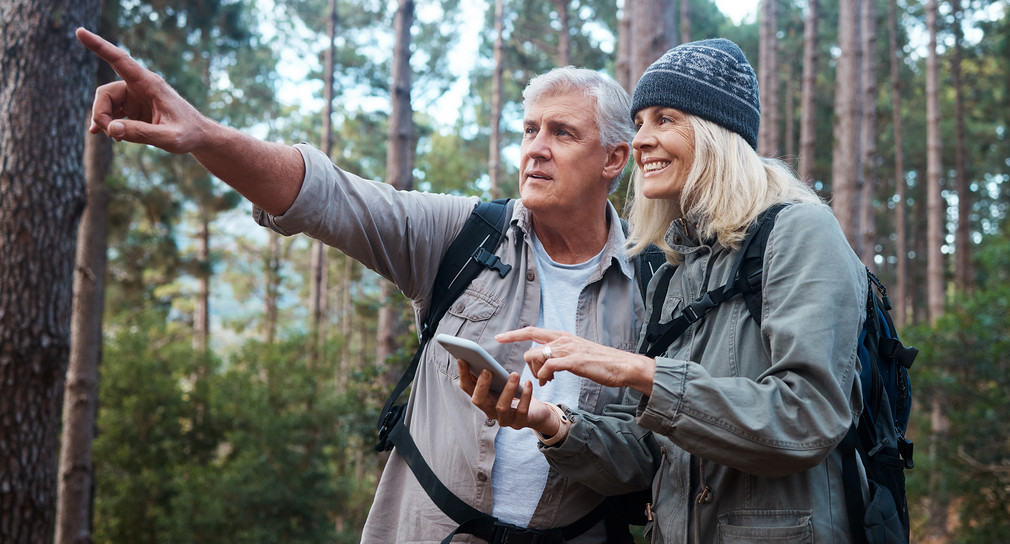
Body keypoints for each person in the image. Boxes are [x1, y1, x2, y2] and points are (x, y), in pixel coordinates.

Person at [76, 26, 646, 543]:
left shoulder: (652, 287)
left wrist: (552, 425)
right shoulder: (465, 234)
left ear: (614, 159)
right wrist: (203, 135)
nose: (535, 148)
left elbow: (648, 458)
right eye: (529, 129)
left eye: (562, 133)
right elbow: (328, 196)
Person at [461, 38, 868, 543]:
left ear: (717, 131)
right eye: (638, 123)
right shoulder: (674, 270)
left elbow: (806, 416)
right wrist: (550, 422)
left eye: (664, 119)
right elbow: (650, 454)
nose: (640, 141)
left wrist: (638, 370)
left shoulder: (801, 230)